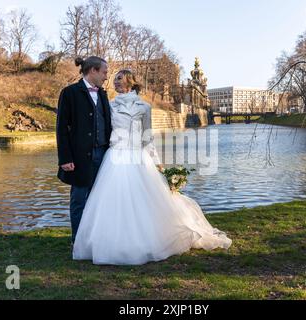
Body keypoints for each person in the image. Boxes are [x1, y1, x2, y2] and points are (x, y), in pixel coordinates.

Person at [73, 69, 232, 265]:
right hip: (114, 156)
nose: (114, 82)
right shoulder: (109, 105)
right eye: (114, 79)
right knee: (112, 200)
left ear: (130, 82)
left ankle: (146, 240)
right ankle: (110, 242)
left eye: (119, 79)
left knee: (142, 201)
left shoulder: (144, 107)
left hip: (138, 156)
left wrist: (157, 162)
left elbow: (147, 138)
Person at [56, 56, 112, 245]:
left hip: (103, 155)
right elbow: (61, 128)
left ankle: (96, 238)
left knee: (99, 199)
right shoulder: (70, 92)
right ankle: (78, 241)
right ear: (93, 71)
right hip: (80, 157)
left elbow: (107, 124)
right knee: (79, 199)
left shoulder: (103, 94)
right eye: (104, 72)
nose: (106, 77)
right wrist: (65, 158)